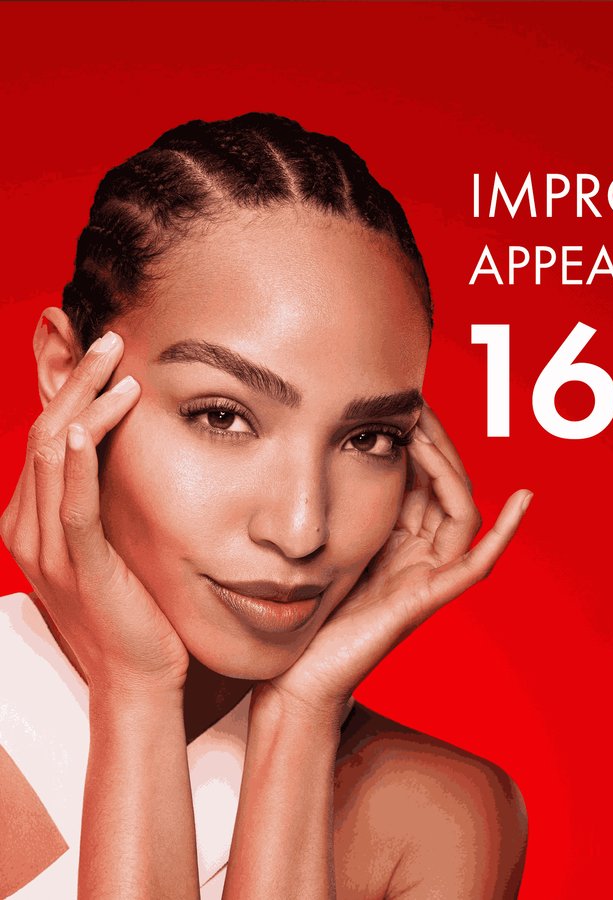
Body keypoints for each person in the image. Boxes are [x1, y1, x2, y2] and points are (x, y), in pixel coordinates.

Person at [0, 113, 531, 899]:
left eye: (369, 438)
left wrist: (297, 723)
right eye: (222, 416)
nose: (301, 528)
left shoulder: (435, 814)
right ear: (66, 373)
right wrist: (135, 691)